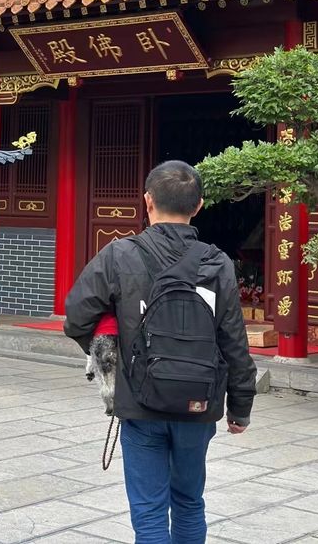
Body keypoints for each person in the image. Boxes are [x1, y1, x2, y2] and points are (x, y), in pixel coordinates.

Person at [64, 161, 256, 544]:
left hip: (140, 400)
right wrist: (241, 407)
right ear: (198, 205)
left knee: (149, 509)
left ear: (147, 201)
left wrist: (113, 352)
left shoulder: (119, 255)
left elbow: (76, 316)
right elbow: (234, 339)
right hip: (198, 403)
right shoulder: (218, 263)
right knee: (188, 501)